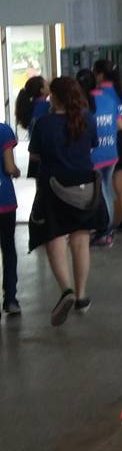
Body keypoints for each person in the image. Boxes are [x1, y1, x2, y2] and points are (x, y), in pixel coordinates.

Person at [28, 77, 108, 325]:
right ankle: (82, 296)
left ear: (57, 98)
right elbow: (92, 146)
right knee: (80, 241)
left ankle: (66, 290)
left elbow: (35, 155)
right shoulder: (87, 119)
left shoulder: (44, 124)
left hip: (53, 188)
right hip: (85, 187)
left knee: (55, 239)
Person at [77, 69, 122, 246]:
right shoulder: (109, 99)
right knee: (106, 190)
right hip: (111, 152)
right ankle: (108, 228)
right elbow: (119, 125)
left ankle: (105, 231)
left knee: (101, 193)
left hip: (94, 155)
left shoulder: (82, 104)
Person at [92, 59, 122, 232]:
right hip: (120, 143)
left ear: (100, 75)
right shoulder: (121, 94)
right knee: (119, 186)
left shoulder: (96, 95)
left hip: (102, 144)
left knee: (102, 187)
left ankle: (104, 225)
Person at [0, 121, 22, 318]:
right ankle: (11, 299)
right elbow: (9, 167)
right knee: (8, 249)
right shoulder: (3, 131)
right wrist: (17, 172)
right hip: (3, 200)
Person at [15, 75, 51, 178]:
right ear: (41, 90)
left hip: (34, 155)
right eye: (46, 84)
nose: (49, 85)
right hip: (47, 157)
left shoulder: (30, 108)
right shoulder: (48, 107)